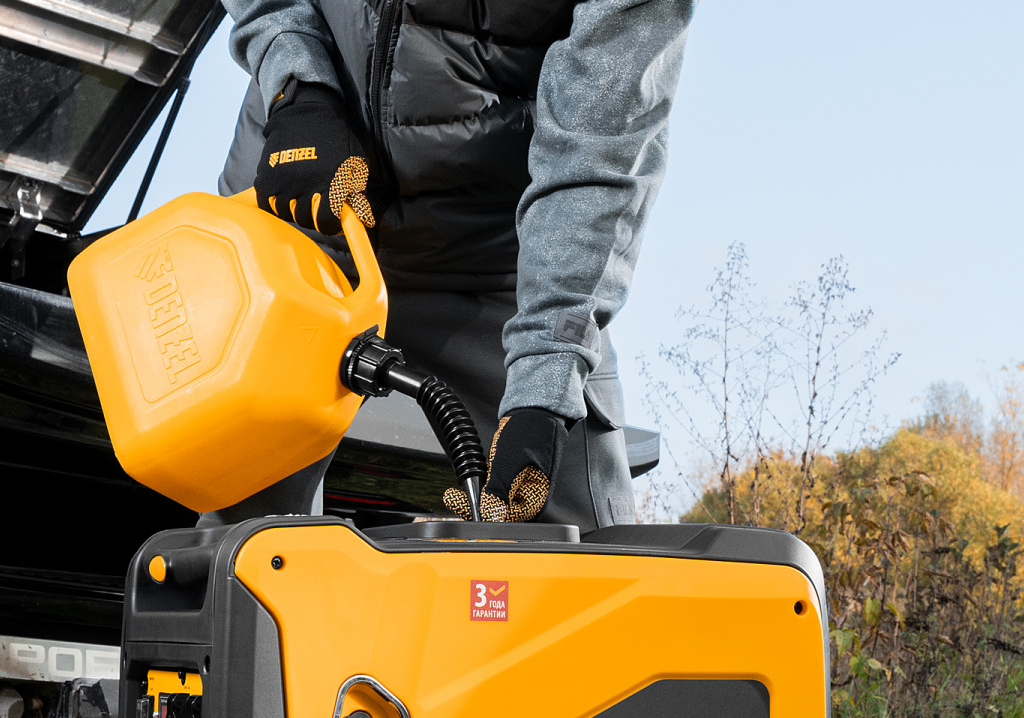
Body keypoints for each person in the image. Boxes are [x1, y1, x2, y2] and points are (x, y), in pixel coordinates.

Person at [217, 0, 694, 531]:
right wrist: (297, 87)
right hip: (306, 214)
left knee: (582, 550)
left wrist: (546, 379)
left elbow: (599, 148)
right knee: (234, 542)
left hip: (501, 270)